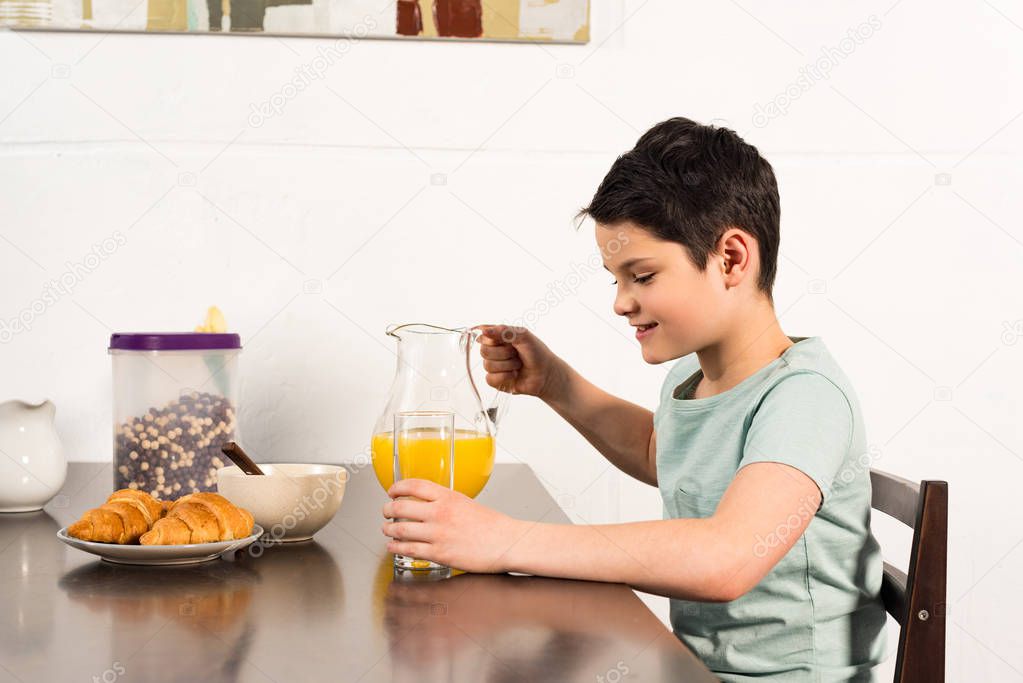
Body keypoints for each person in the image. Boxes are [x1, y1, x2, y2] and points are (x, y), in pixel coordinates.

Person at [381, 116, 887, 681]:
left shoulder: (804, 398)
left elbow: (728, 557)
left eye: (642, 276)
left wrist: (506, 540)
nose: (621, 302)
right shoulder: (690, 382)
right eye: (614, 279)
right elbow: (660, 450)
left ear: (731, 259)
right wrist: (554, 383)